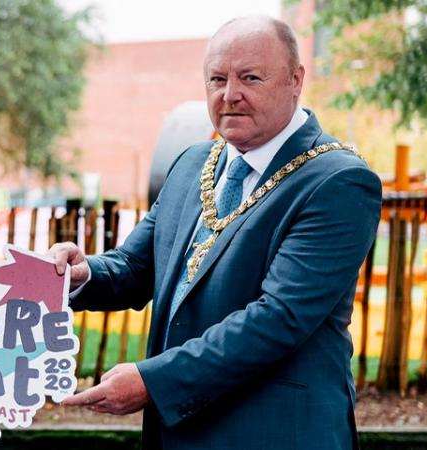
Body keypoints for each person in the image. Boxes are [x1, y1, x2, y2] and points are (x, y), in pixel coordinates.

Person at [53, 16, 381, 450]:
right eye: (217, 79)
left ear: (296, 79)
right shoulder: (193, 162)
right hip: (181, 435)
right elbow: (136, 266)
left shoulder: (337, 181)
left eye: (250, 77)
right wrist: (80, 274)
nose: (230, 95)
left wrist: (154, 381)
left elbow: (278, 319)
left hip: (277, 435)